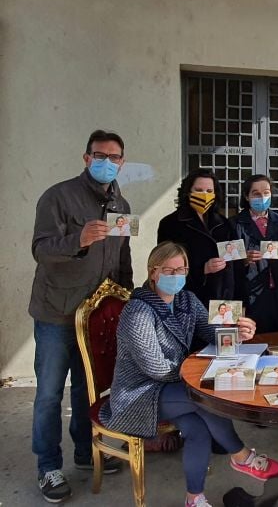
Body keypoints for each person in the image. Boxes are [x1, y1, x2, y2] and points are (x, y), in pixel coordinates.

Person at [100, 242, 278, 507]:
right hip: (138, 394)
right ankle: (241, 455)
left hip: (172, 389)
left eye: (181, 270)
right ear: (153, 272)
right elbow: (157, 369)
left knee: (198, 429)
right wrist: (201, 375)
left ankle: (194, 498)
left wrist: (236, 335)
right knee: (204, 398)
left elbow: (211, 333)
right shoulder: (137, 312)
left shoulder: (186, 299)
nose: (176, 277)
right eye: (168, 270)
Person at [29, 129, 132, 503]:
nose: (108, 162)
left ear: (122, 162)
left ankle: (85, 452)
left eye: (115, 157)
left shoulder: (121, 203)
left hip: (95, 318)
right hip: (57, 313)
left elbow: (122, 258)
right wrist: (78, 240)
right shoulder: (58, 197)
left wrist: (126, 299)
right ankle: (48, 466)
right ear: (87, 158)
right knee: (49, 393)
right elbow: (41, 249)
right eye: (100, 155)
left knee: (86, 388)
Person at [158, 169, 238, 312]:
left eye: (209, 191)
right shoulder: (170, 223)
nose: (205, 195)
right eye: (199, 190)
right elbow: (165, 266)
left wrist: (239, 301)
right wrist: (202, 270)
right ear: (188, 192)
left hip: (223, 302)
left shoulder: (225, 224)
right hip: (188, 298)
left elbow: (236, 266)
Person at [232, 175, 278, 332]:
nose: (262, 197)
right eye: (256, 193)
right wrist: (244, 260)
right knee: (254, 342)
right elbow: (228, 263)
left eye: (266, 192)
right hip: (251, 295)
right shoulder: (235, 224)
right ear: (246, 196)